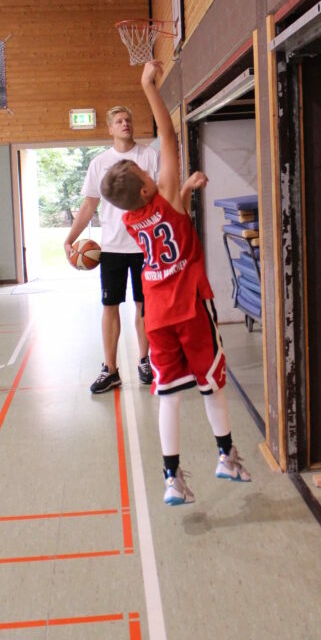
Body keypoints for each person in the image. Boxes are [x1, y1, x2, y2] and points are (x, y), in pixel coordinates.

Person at [101, 61, 251, 506]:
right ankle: (226, 457)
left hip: (158, 316)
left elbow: (170, 218)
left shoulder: (132, 219)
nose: (153, 173)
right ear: (148, 189)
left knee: (168, 396)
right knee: (212, 385)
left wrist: (183, 190)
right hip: (190, 307)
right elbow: (168, 136)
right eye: (147, 175)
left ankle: (171, 479)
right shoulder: (163, 194)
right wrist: (148, 85)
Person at [64, 105, 159, 394]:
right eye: (118, 121)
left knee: (144, 305)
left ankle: (145, 360)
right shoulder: (99, 163)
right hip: (112, 248)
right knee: (110, 306)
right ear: (110, 128)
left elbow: (160, 195)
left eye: (128, 119)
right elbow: (89, 205)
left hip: (145, 244)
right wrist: (70, 238)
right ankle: (111, 369)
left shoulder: (149, 156)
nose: (125, 124)